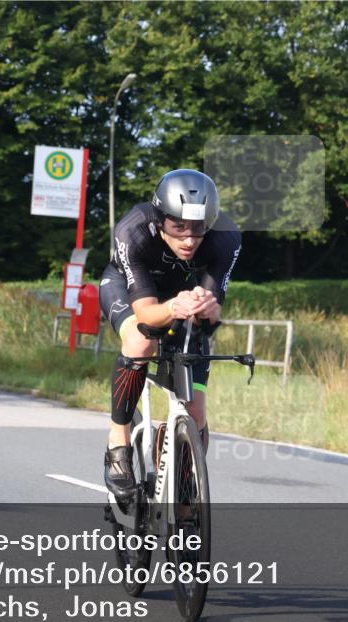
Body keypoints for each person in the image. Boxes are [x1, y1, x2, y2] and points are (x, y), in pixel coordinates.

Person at [100, 169, 242, 498]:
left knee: (196, 410)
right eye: (178, 227)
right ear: (160, 218)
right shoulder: (133, 230)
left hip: (183, 296)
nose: (189, 240)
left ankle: (184, 486)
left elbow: (212, 312)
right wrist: (175, 306)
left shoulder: (226, 237)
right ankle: (118, 440)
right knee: (142, 341)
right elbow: (147, 313)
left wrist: (208, 307)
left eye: (198, 228)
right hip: (129, 291)